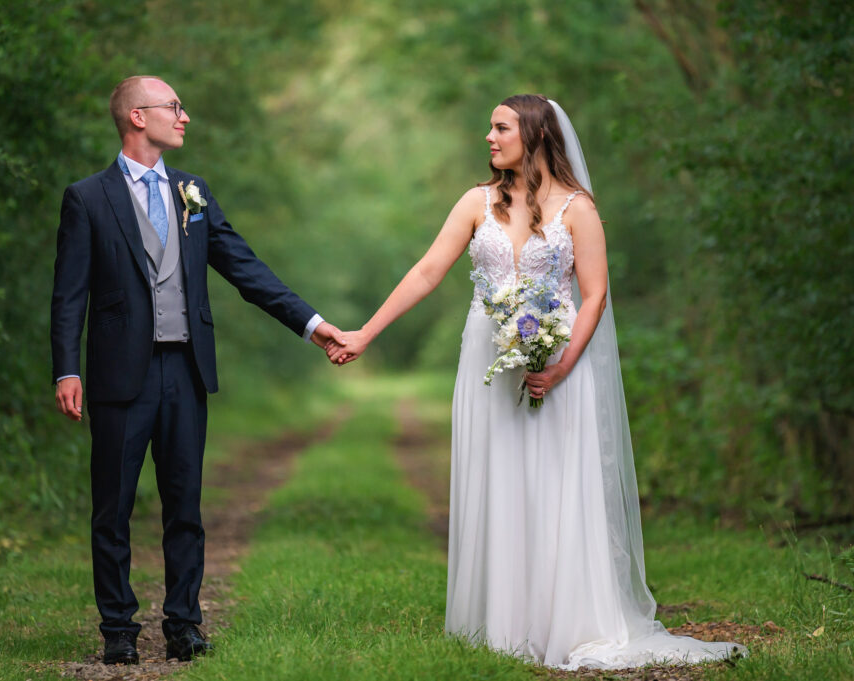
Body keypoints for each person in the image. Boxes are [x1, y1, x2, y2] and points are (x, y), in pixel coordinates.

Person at [326, 95, 747, 669]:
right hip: (486, 363)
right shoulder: (477, 202)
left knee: (554, 485)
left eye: (500, 127)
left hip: (560, 367)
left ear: (535, 133)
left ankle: (565, 621)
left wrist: (561, 365)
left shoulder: (578, 209)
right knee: (496, 479)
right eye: (490, 128)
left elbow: (595, 295)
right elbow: (427, 270)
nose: (489, 137)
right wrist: (365, 333)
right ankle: (499, 626)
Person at [51, 75, 345, 665]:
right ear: (138, 116)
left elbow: (246, 269)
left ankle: (183, 624)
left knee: (185, 504)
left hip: (185, 371)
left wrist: (314, 325)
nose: (185, 117)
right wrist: (66, 369)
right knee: (113, 508)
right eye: (174, 107)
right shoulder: (88, 198)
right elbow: (69, 294)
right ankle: (117, 630)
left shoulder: (194, 192)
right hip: (118, 377)